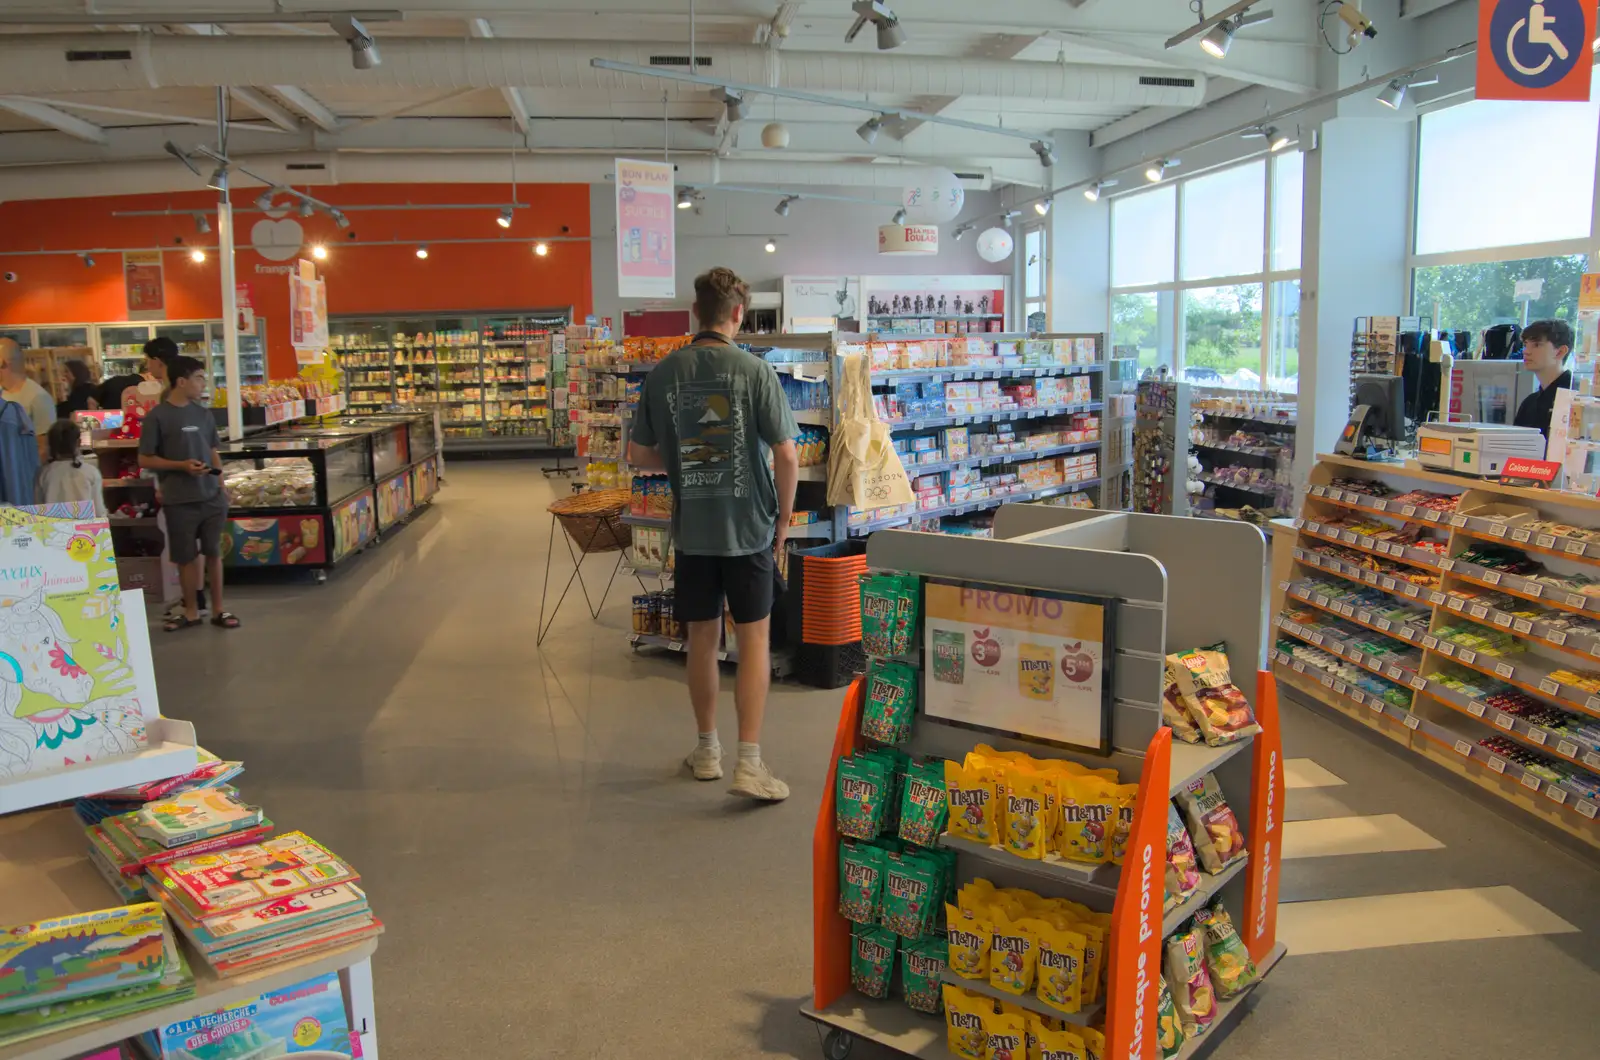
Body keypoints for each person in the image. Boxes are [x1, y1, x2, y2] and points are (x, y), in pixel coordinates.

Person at [629, 266, 800, 802]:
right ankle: (749, 762)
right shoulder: (755, 371)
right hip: (748, 528)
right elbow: (788, 454)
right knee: (753, 639)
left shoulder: (662, 374)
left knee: (701, 640)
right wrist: (785, 521)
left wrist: (683, 459)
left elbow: (637, 454)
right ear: (737, 314)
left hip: (694, 529)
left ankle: (707, 751)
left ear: (695, 313)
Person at [137, 356, 239, 631]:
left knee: (214, 553)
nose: (202, 384)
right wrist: (180, 466)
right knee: (185, 557)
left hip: (210, 498)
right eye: (198, 378)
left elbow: (212, 452)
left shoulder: (203, 414)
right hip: (179, 499)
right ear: (181, 382)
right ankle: (191, 610)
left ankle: (218, 609)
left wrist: (221, 487)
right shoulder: (157, 417)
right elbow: (145, 459)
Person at [1514, 318, 1576, 439]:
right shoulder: (1529, 403)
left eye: (1536, 345)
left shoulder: (1577, 399)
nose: (1526, 352)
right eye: (1525, 344)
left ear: (1560, 352)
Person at [0, 336, 54, 462]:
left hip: (21, 474)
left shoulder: (38, 397)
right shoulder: (3, 392)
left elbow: (44, 448)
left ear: (3, 363)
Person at [36, 419, 105, 515]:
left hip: (54, 528)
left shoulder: (43, 474)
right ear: (79, 442)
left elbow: (38, 509)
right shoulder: (91, 472)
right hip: (85, 528)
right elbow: (99, 511)